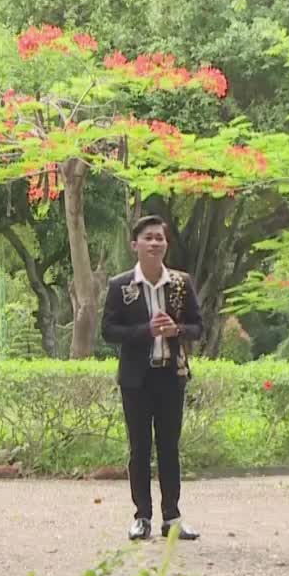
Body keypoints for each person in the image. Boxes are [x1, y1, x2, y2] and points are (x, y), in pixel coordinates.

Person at [101, 215, 203, 541]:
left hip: (171, 376)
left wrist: (177, 330)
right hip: (136, 379)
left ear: (166, 244)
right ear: (135, 245)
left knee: (169, 447)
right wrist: (147, 330)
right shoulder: (121, 286)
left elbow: (198, 326)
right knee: (139, 448)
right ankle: (141, 516)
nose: (155, 243)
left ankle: (172, 517)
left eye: (160, 237)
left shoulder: (181, 283)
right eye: (148, 237)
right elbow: (109, 331)